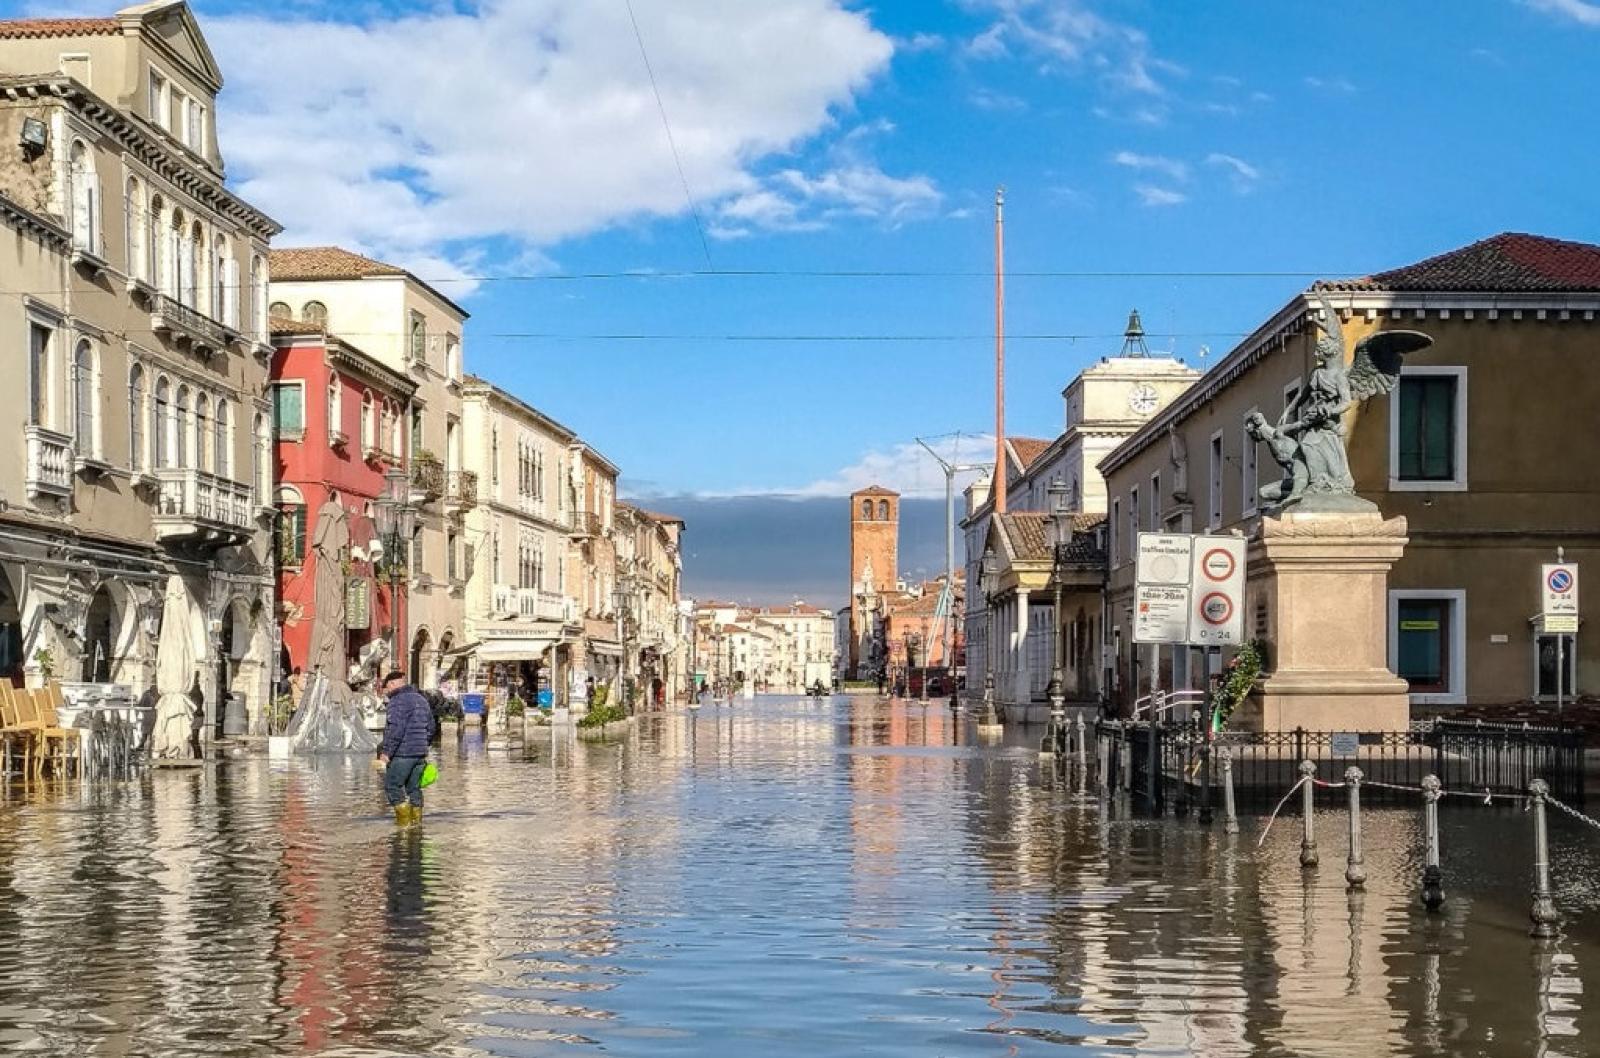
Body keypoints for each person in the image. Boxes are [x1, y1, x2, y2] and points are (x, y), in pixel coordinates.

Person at [378, 670, 434, 825]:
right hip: (420, 753)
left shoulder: (397, 701)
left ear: (392, 684)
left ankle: (403, 826)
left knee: (392, 787)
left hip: (403, 753)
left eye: (387, 687)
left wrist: (386, 753)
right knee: (414, 788)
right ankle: (417, 825)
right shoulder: (421, 700)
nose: (388, 691)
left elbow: (396, 729)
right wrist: (423, 745)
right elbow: (431, 727)